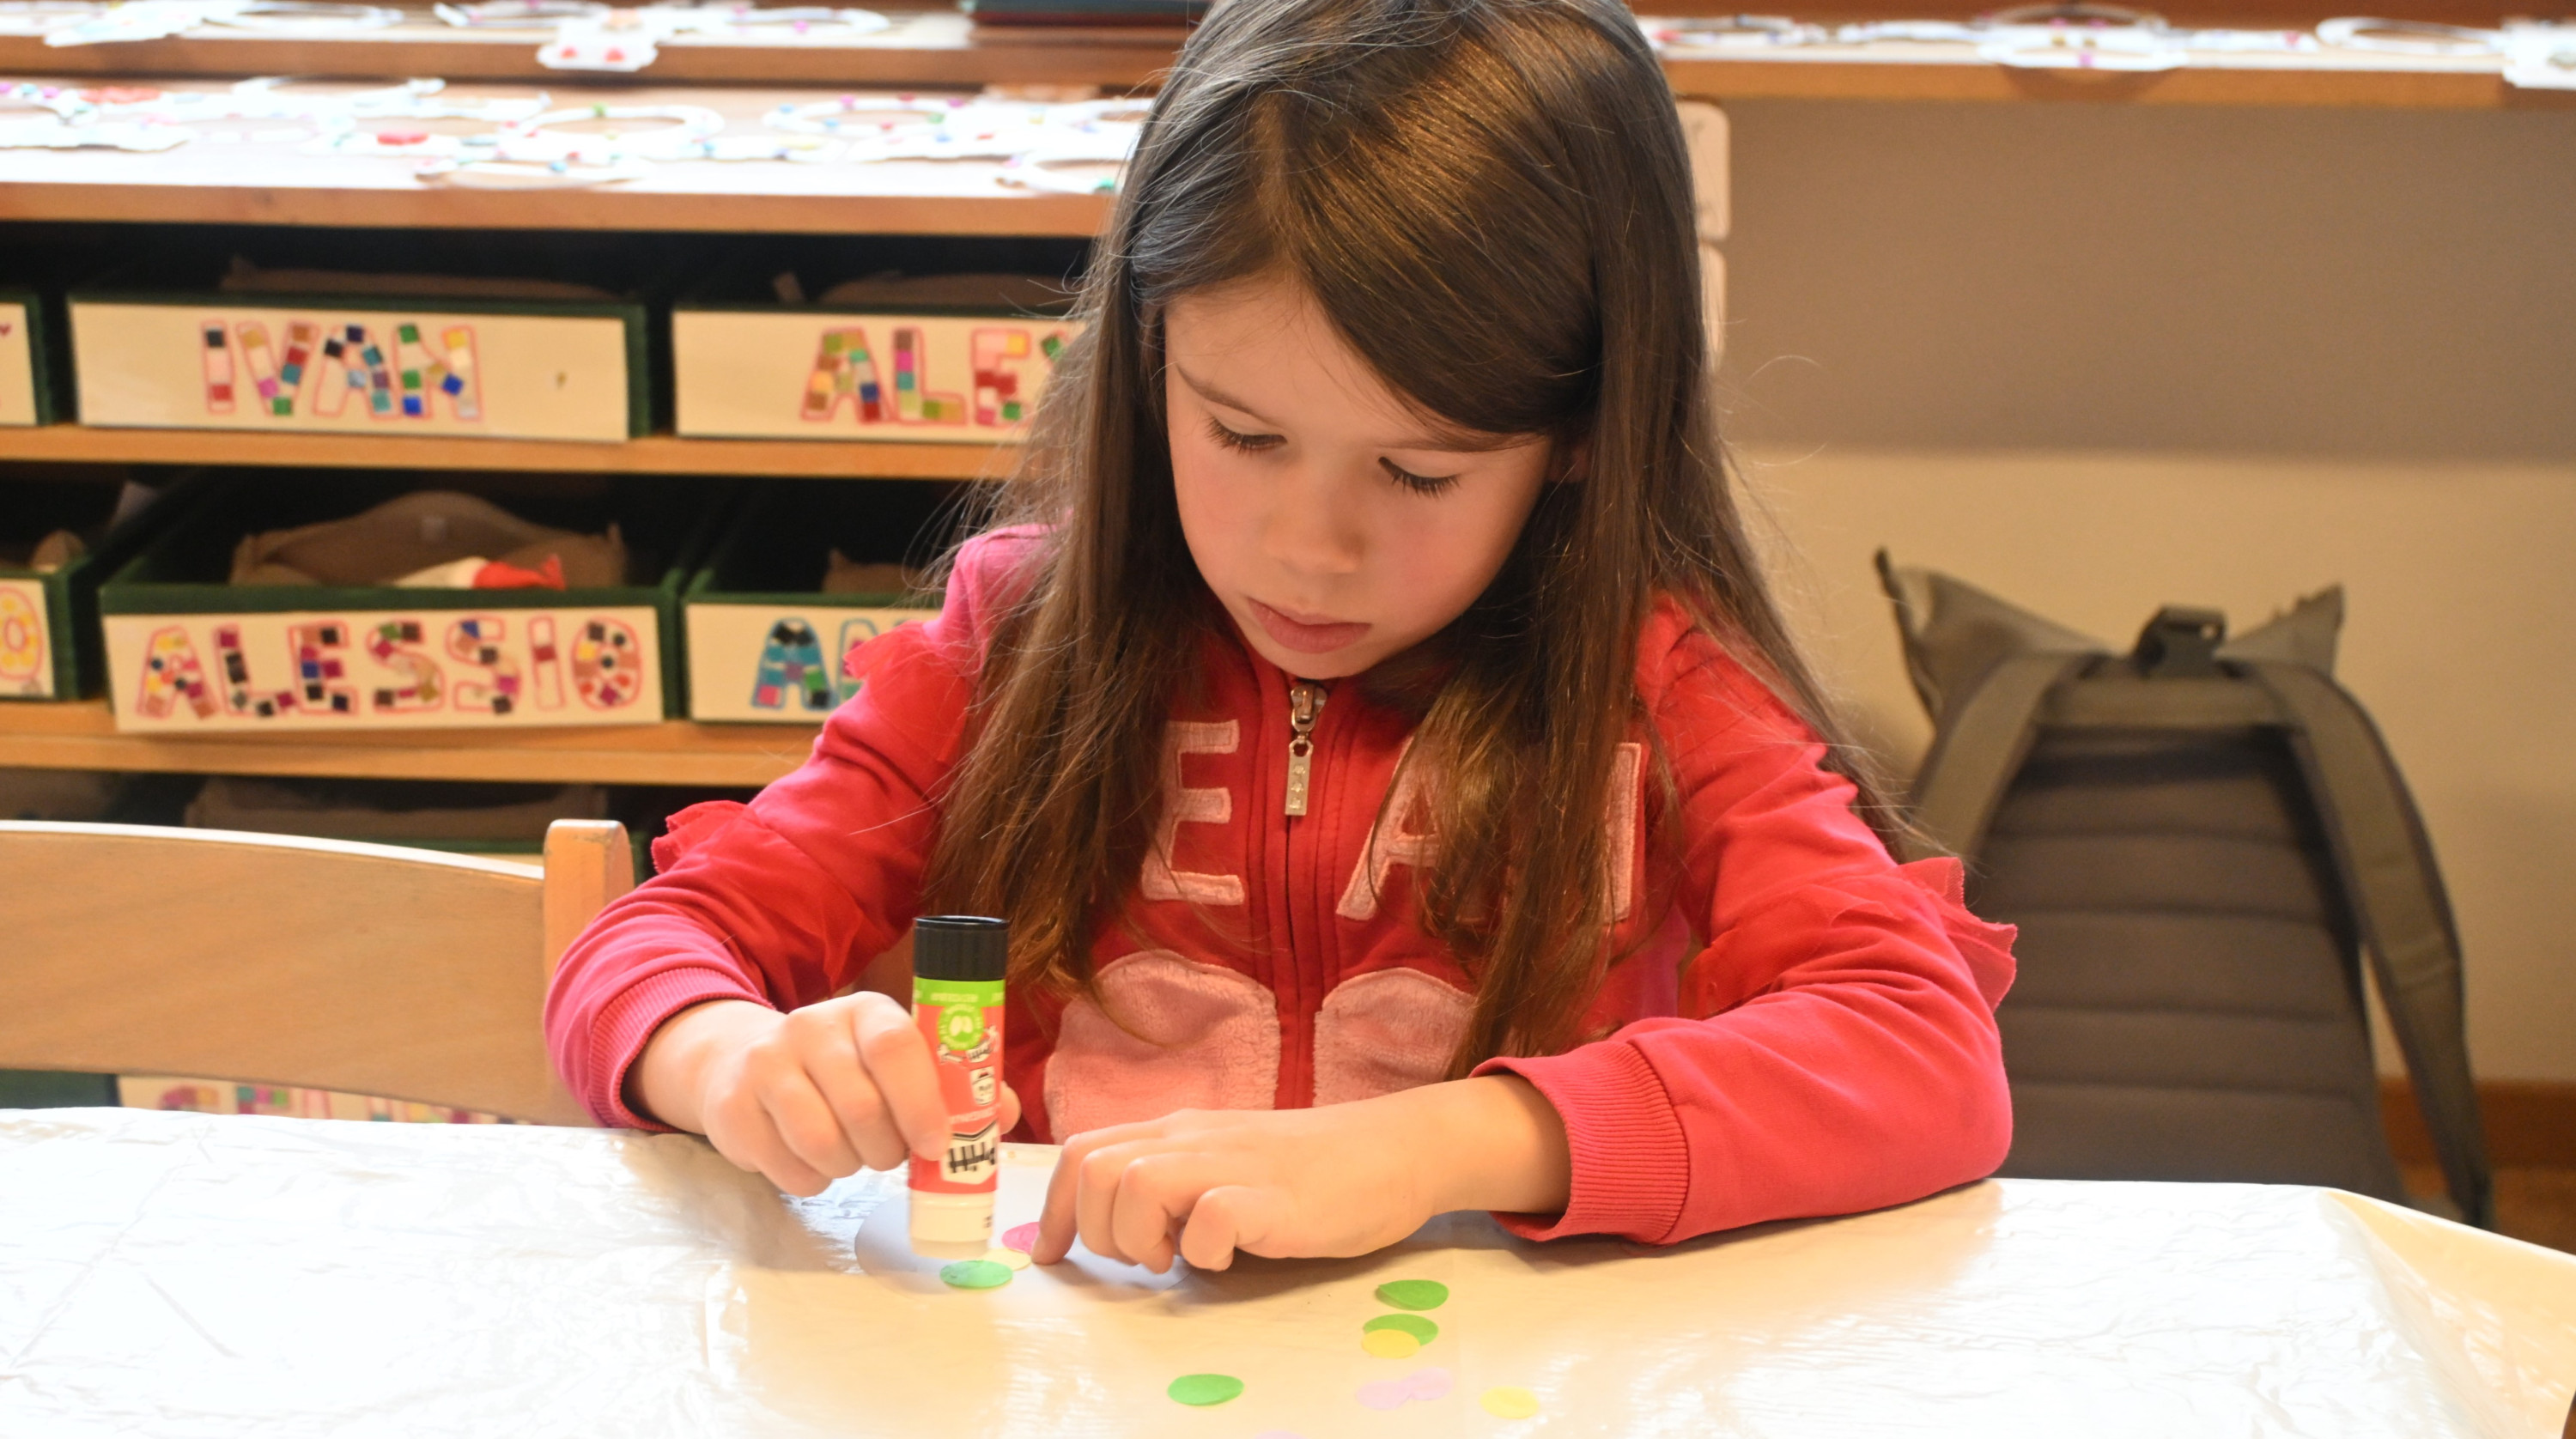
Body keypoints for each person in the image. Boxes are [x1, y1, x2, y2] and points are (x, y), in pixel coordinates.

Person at [546, 0, 2016, 1273]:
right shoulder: (1012, 642)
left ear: (1580, 435)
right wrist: (726, 1055)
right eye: (1244, 435)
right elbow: (654, 947)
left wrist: (1442, 1144)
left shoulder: (1655, 686)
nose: (1312, 548)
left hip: (1500, 1409)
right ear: (1147, 356)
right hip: (1083, 1397)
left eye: (1419, 472)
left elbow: (1924, 1051)